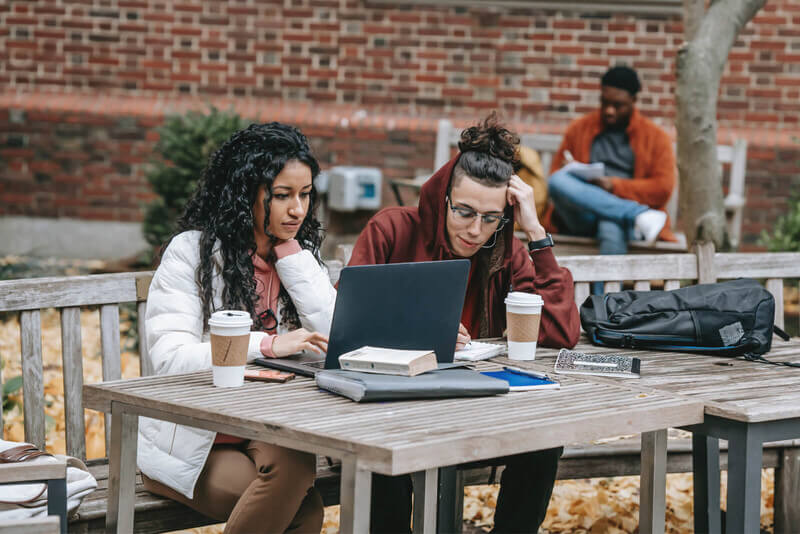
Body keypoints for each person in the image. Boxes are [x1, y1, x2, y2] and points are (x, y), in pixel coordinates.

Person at [347, 113, 581, 534]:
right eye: (464, 212)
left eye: (491, 218)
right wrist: (417, 334)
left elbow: (560, 334)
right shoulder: (392, 230)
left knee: (543, 442)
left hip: (481, 411)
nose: (476, 230)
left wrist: (535, 231)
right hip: (397, 411)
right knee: (384, 452)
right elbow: (348, 328)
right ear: (443, 198)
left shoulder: (504, 252)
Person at [138, 122, 336, 534]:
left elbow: (335, 336)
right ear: (246, 195)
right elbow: (172, 357)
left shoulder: (300, 258)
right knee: (304, 509)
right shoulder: (192, 253)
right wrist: (267, 344)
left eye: (305, 195)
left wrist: (295, 261)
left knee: (297, 470)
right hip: (194, 440)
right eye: (282, 196)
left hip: (263, 428)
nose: (297, 209)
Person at [546, 65, 677, 253]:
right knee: (558, 180)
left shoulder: (655, 137)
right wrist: (575, 172)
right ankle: (639, 215)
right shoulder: (579, 128)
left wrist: (612, 186)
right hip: (583, 215)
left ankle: (626, 216)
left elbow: (662, 188)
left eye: (617, 105)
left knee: (610, 222)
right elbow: (557, 178)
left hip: (624, 225)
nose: (609, 111)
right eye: (604, 102)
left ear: (633, 100)